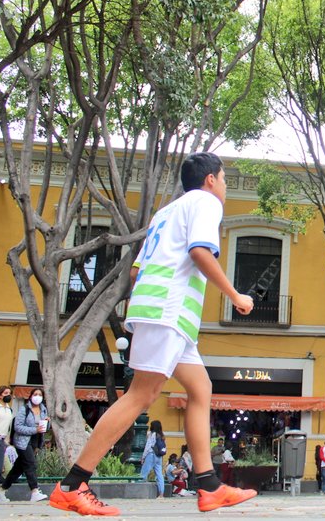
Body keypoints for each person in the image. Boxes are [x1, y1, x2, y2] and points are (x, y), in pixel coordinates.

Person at [49, 152, 258, 516]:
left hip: (161, 311)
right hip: (169, 311)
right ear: (210, 179)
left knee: (200, 388)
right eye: (223, 179)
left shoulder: (166, 213)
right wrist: (235, 295)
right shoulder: (206, 203)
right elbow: (199, 252)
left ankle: (208, 486)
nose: (224, 186)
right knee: (141, 396)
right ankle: (72, 484)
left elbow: (135, 272)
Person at [0, 387, 49, 503]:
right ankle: (34, 491)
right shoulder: (24, 409)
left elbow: (44, 429)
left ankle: (1, 491)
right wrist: (35, 429)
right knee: (31, 464)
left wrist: (47, 424)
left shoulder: (43, 410)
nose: (37, 397)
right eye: (35, 394)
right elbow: (18, 427)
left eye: (40, 394)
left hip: (35, 440)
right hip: (22, 441)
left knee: (18, 468)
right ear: (31, 396)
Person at [140, 420, 167, 498]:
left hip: (151, 455)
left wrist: (143, 457)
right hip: (159, 457)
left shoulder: (152, 434)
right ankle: (161, 494)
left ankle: (140, 492)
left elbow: (148, 447)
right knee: (159, 475)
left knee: (144, 473)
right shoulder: (162, 435)